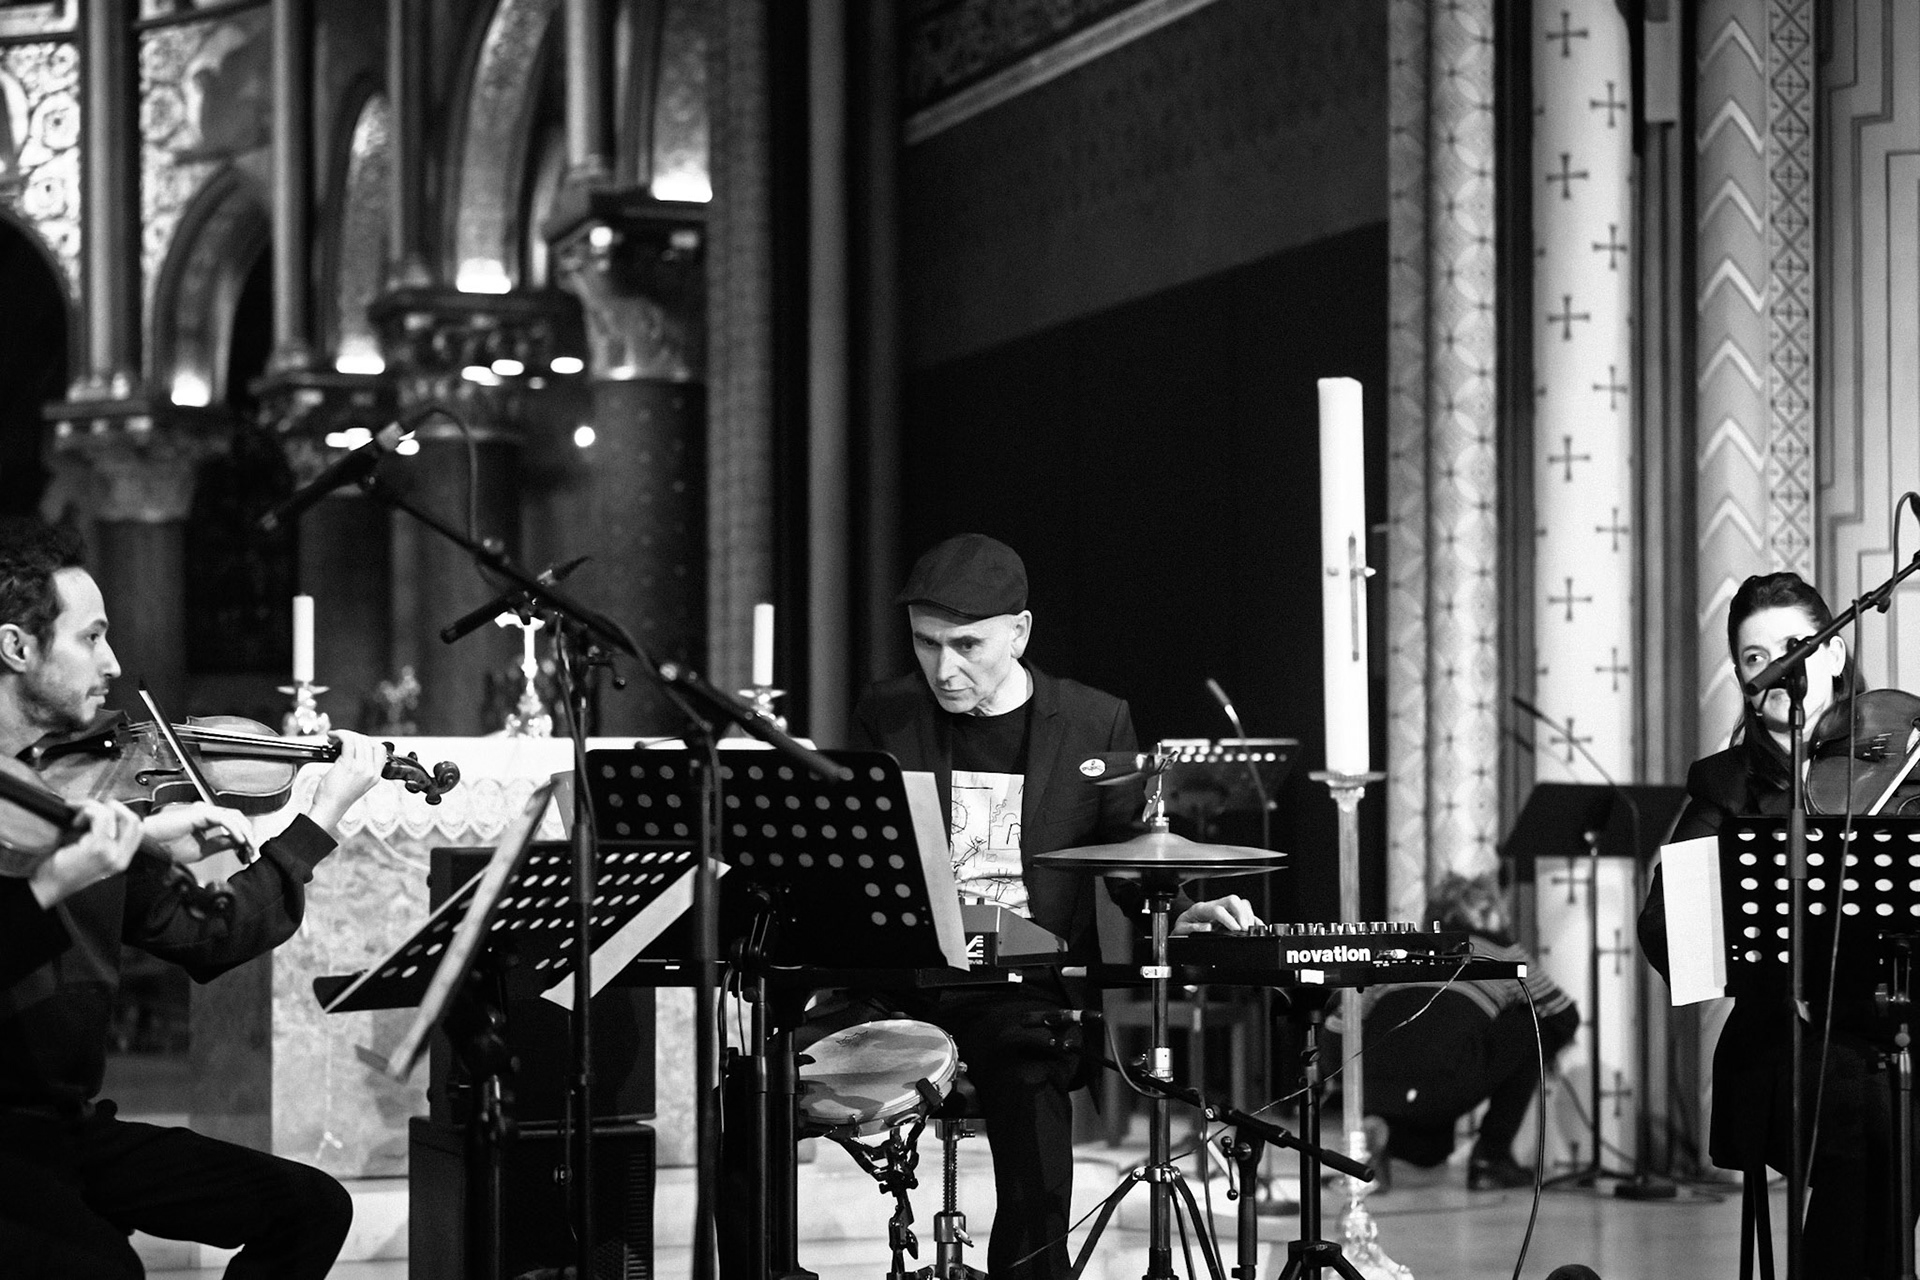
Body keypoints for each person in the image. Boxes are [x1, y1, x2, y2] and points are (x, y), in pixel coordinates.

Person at [845, 533, 1258, 1278]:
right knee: (749, 1094)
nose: (944, 668)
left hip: (1020, 987)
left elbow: (1136, 857)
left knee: (1032, 1090)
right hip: (904, 976)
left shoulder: (1094, 722)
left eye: (966, 645)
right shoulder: (888, 712)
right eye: (926, 644)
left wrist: (1181, 910)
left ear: (1019, 632)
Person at [0, 517, 386, 1279]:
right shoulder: (65, 834)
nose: (113, 662)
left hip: (67, 1130)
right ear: (16, 648)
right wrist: (57, 879)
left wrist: (316, 824)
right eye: (91, 638)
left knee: (310, 1207)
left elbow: (210, 937)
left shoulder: (88, 805)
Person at [1638, 570, 1915, 1279]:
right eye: (1756, 658)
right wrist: (1748, 956)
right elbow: (1668, 926)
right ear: (1743, 676)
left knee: (1893, 1098)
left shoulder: (1903, 761)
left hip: (1895, 1023)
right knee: (1870, 1110)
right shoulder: (1724, 784)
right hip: (1784, 1043)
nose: (1778, 670)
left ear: (1834, 653)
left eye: (1796, 646)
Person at [1345, 872, 1578, 1190]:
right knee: (1530, 1027)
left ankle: (1379, 1136)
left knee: (1430, 1152)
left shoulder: (1403, 951)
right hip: (1440, 1082)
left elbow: (1342, 1019)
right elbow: (1565, 1015)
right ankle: (1491, 1159)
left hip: (1370, 1085)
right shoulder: (1500, 951)